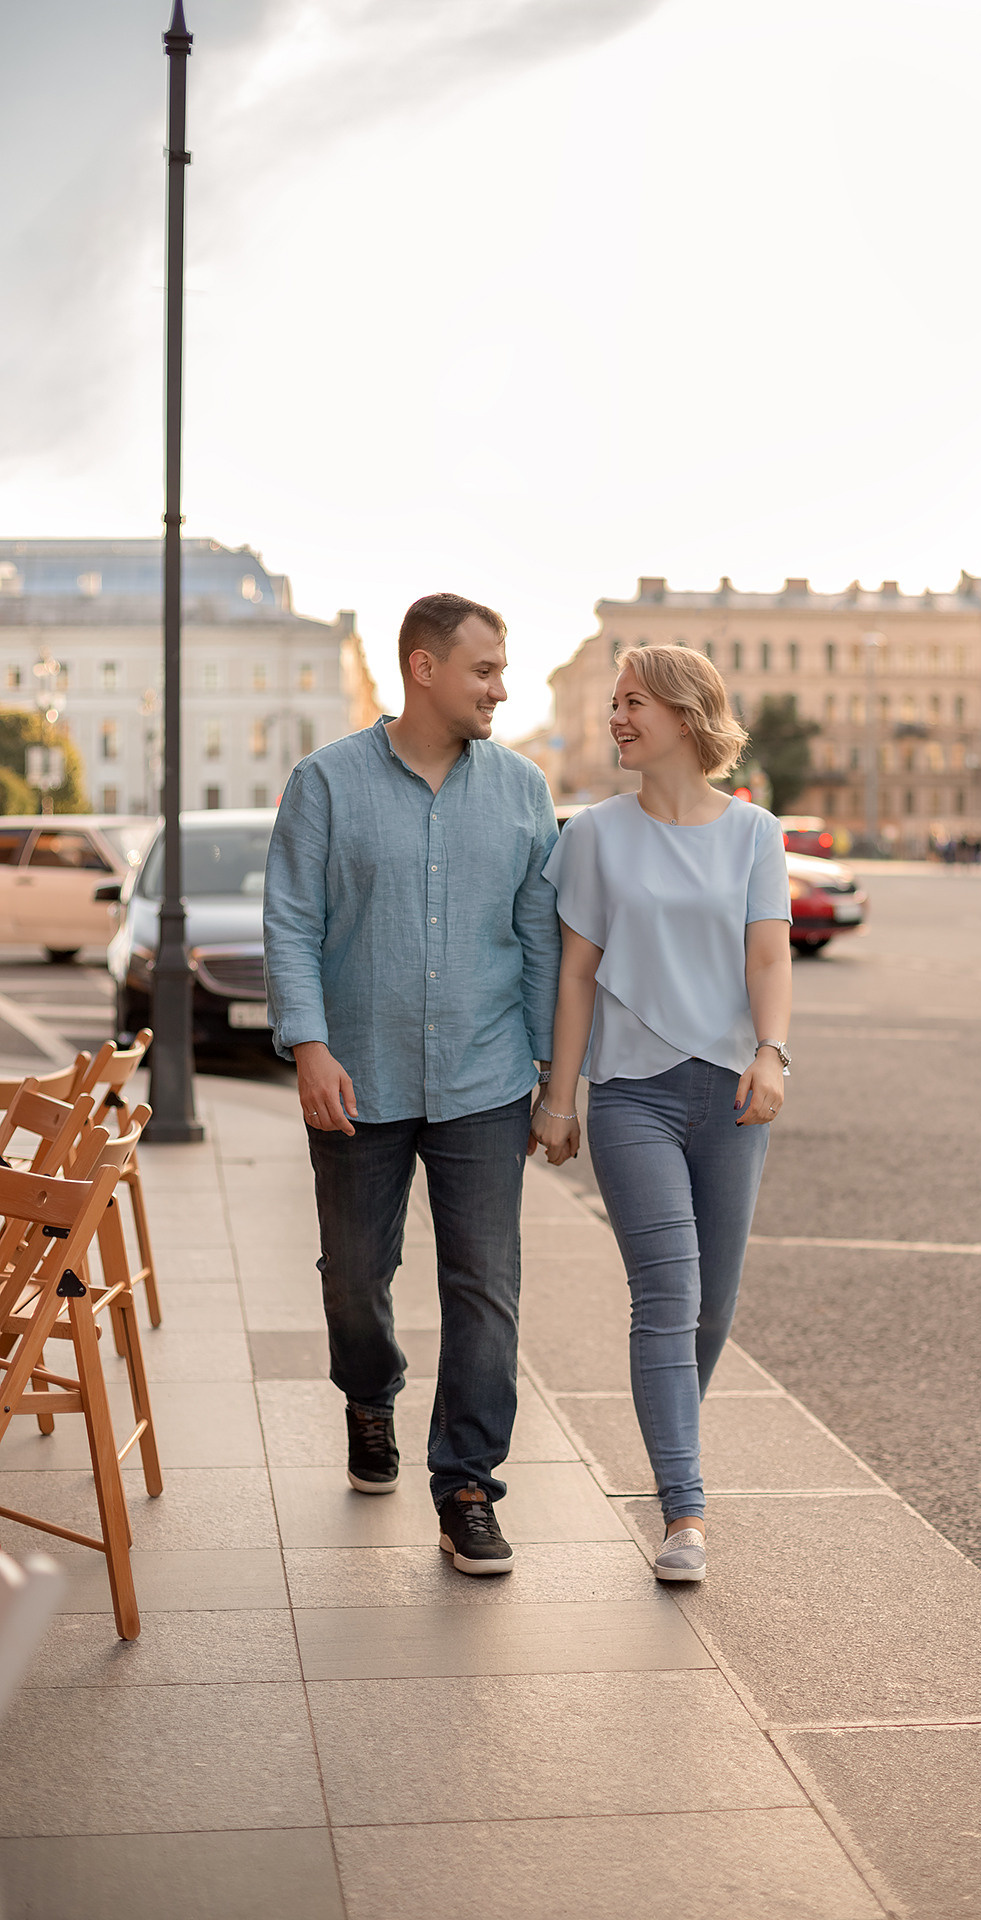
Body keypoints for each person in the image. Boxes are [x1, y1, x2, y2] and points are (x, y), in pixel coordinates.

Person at [263, 592, 561, 1577]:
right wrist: (307, 1043)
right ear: (424, 669)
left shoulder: (521, 790)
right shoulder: (327, 784)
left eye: (503, 670)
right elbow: (291, 922)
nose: (500, 688)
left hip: (483, 1078)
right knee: (354, 1278)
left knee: (486, 1288)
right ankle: (369, 1391)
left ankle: (466, 1485)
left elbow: (538, 944)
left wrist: (554, 1074)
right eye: (484, 670)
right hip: (358, 1074)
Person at [536, 644, 792, 1583]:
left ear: (685, 714)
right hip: (632, 1095)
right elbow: (575, 974)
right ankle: (683, 1511)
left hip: (729, 1094)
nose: (615, 718)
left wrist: (772, 1052)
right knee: (668, 1295)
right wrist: (558, 1099)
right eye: (612, 703)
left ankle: (668, 1435)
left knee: (711, 1311)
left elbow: (768, 958)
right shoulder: (596, 834)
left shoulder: (755, 833)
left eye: (631, 702)